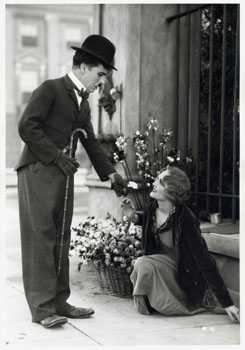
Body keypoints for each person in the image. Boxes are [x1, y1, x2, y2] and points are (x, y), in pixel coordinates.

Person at [15, 34, 127, 328]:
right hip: (38, 170)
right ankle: (41, 309)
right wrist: (55, 156)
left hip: (63, 173)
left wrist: (110, 173)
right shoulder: (50, 89)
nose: (102, 82)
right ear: (83, 66)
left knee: (61, 236)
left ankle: (60, 301)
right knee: (41, 238)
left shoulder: (84, 104)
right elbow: (27, 126)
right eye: (100, 74)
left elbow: (90, 141)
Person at [122, 166, 239, 323]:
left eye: (160, 182)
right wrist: (134, 217)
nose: (154, 183)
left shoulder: (186, 218)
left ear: (172, 190)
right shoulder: (152, 208)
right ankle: (152, 302)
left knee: (143, 263)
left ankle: (170, 301)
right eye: (157, 179)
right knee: (143, 263)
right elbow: (149, 221)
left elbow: (203, 258)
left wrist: (227, 303)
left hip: (184, 272)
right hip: (164, 263)